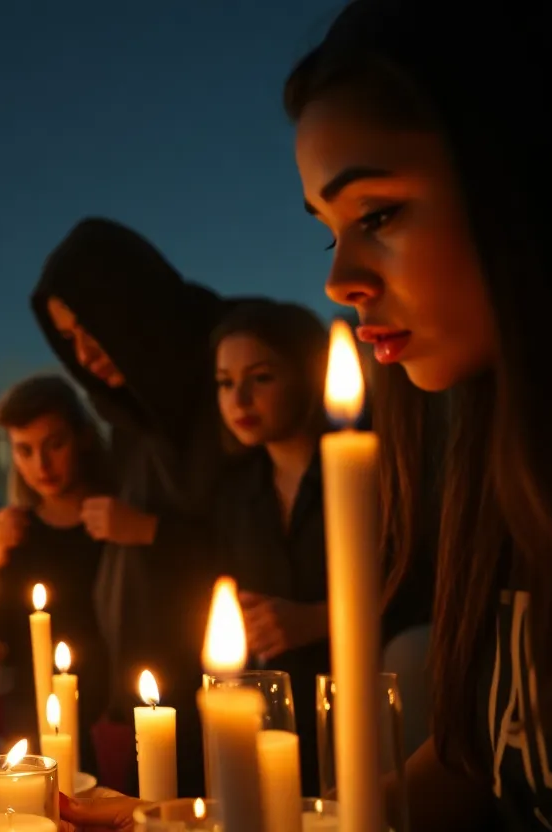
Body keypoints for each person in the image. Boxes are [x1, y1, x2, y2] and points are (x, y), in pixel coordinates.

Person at [287, 1, 552, 827]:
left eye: (377, 213)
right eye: (328, 233)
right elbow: (476, 758)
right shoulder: (496, 474)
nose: (340, 280)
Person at [32, 218, 232, 793]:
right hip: (141, 692)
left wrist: (149, 531)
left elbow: (259, 544)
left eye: (92, 328)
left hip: (220, 687)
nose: (85, 352)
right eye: (68, 339)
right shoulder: (126, 419)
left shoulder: (225, 383)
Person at [210, 300, 331, 796]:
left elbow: (420, 589)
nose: (239, 398)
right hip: (270, 723)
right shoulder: (233, 491)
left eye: (260, 378)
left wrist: (319, 618)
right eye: (224, 382)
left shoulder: (367, 471)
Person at [0, 375, 113, 775]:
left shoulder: (116, 523)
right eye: (24, 451)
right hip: (33, 713)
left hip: (112, 713)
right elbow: (0, 639)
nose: (41, 465)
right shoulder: (16, 535)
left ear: (83, 438)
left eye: (54, 445)